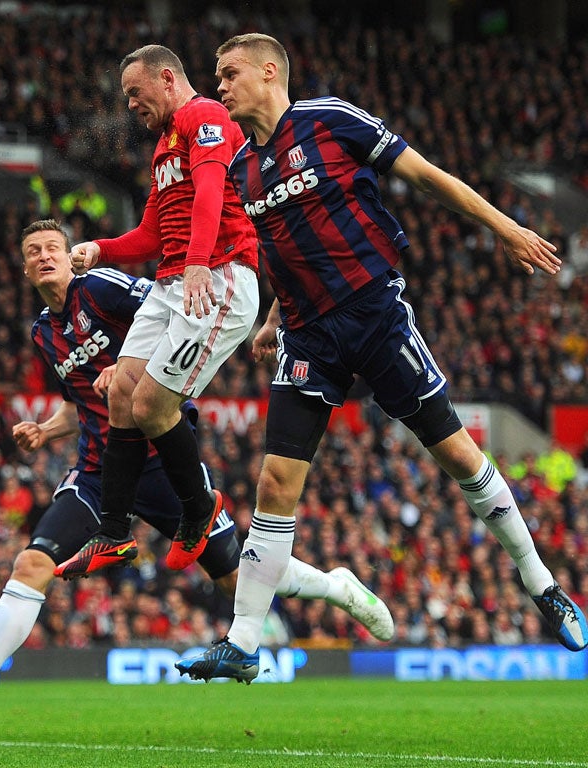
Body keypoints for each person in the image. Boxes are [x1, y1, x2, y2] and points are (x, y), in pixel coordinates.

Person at [176, 33, 586, 683]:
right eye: (216, 78)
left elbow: (425, 175)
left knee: (455, 454)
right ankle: (245, 642)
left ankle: (541, 583)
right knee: (274, 484)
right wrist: (273, 318)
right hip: (308, 336)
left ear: (268, 71)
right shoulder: (242, 169)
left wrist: (505, 228)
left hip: (373, 316)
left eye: (228, 75)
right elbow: (285, 248)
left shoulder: (330, 120)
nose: (220, 87)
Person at [0, 221, 391, 718]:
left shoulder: (100, 286)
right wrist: (46, 430)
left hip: (161, 460)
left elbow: (175, 310)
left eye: (53, 246)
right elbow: (80, 401)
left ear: (70, 253)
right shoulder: (43, 332)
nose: (45, 255)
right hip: (99, 472)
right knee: (33, 562)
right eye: (34, 251)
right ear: (26, 267)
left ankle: (337, 587)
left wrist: (126, 366)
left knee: (237, 581)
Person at [55, 44, 261, 579]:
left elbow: (214, 187)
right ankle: (114, 534)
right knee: (122, 390)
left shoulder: (204, 116)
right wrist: (100, 249)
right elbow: (150, 234)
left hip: (219, 277)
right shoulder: (165, 146)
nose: (130, 105)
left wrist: (197, 264)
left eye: (135, 93)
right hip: (173, 281)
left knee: (149, 404)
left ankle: (199, 508)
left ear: (167, 78)